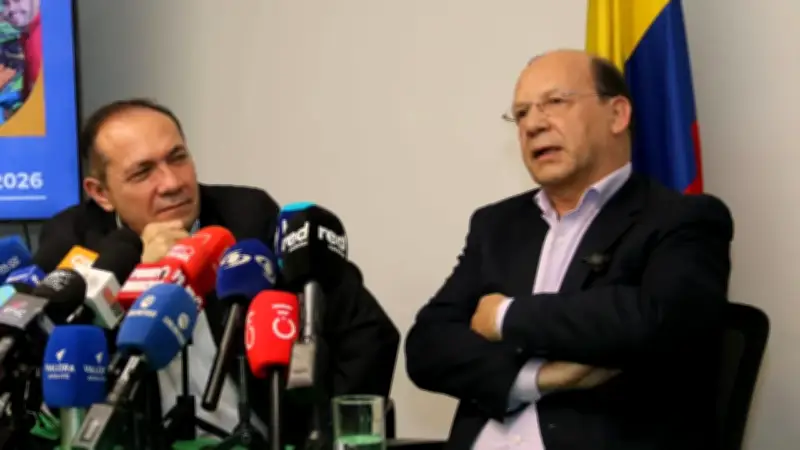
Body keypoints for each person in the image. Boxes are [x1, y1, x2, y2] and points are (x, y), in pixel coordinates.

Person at [405, 49, 733, 450]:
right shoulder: (496, 225)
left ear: (617, 115)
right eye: (521, 113)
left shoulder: (681, 219)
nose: (533, 125)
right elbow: (427, 347)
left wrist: (505, 316)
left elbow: (657, 320)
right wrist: (536, 379)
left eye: (555, 102)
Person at [35, 98, 401, 446]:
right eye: (143, 172)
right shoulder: (72, 244)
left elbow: (369, 332)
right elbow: (59, 372)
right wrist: (141, 275)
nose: (172, 183)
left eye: (177, 157)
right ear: (101, 193)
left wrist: (323, 434)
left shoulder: (249, 219)